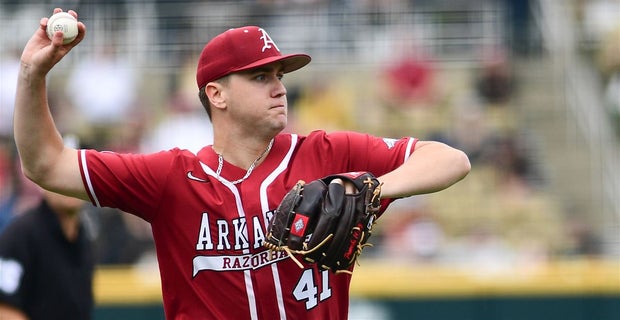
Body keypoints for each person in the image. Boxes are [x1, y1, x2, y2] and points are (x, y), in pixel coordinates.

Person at [14, 8, 470, 319]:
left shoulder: (326, 153)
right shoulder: (171, 177)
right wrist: (33, 76)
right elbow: (46, 165)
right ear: (217, 94)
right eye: (259, 77)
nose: (279, 87)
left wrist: (371, 190)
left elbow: (450, 159)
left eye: (279, 75)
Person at [0, 184, 94, 320]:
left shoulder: (84, 236)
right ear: (42, 183)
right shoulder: (21, 234)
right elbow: (3, 308)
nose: (68, 186)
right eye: (61, 177)